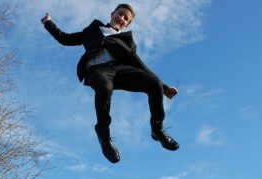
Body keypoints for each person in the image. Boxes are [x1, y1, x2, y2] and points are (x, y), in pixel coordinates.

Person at [41, 3, 180, 164]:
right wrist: (48, 23)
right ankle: (104, 137)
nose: (121, 19)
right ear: (112, 13)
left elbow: (138, 63)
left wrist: (164, 87)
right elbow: (65, 38)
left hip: (120, 71)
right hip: (97, 71)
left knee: (153, 83)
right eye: (120, 14)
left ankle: (157, 130)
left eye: (125, 19)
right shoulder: (92, 31)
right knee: (103, 85)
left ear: (127, 24)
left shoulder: (126, 41)